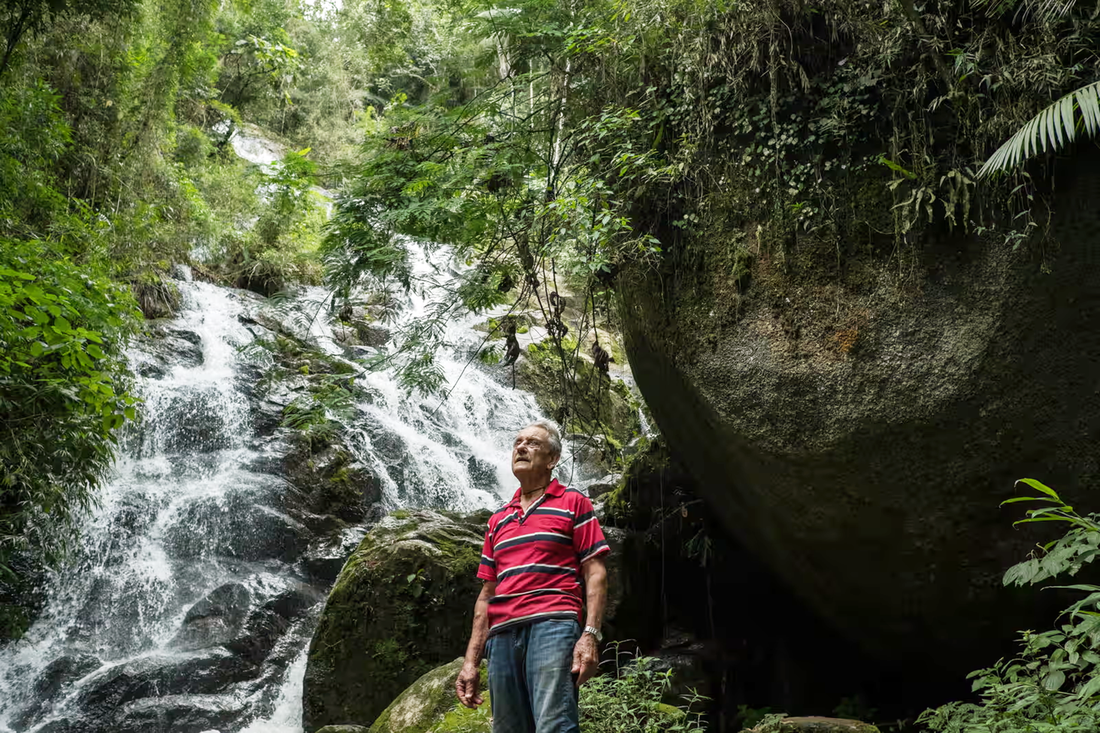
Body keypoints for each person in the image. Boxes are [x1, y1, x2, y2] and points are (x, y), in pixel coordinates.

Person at [455, 420, 610, 733]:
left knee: (554, 725)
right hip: (501, 638)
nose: (521, 447)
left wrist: (590, 633)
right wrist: (471, 662)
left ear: (552, 460)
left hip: (553, 625)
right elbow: (487, 594)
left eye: (532, 443)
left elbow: (595, 571)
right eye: (517, 442)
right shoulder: (497, 520)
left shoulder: (573, 503)